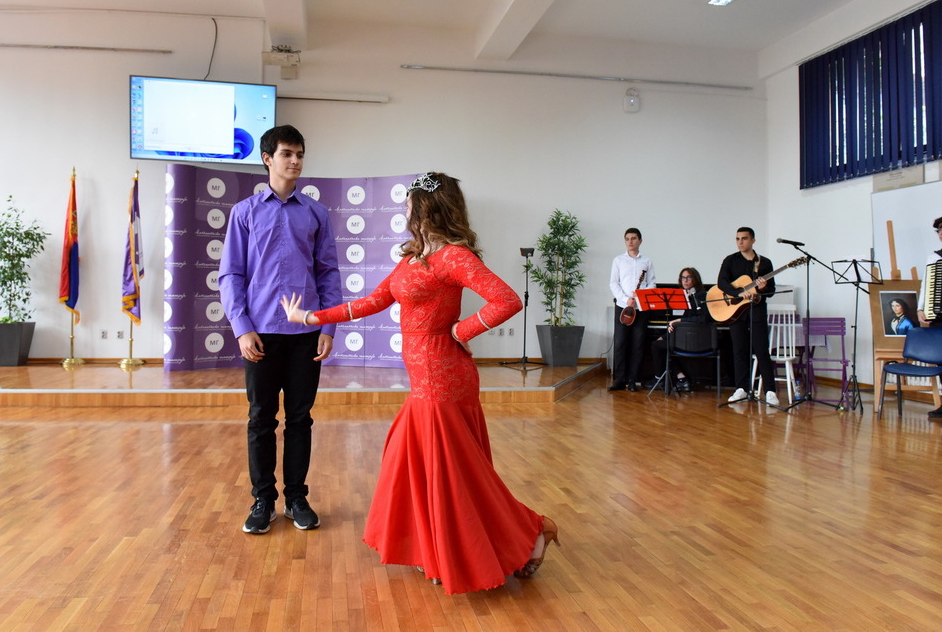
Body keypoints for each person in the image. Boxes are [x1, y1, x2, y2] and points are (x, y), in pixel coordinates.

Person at [280, 172, 559, 595]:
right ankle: (439, 551)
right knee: (426, 467)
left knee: (453, 474)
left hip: (444, 378)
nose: (405, 208)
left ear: (427, 207)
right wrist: (311, 318)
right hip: (424, 382)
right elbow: (373, 301)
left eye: (409, 202)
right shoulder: (413, 259)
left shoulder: (454, 257)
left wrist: (462, 331)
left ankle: (532, 531)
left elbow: (508, 299)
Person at [218, 125, 342, 534]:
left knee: (301, 419)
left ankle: (296, 498)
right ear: (267, 158)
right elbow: (231, 274)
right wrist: (241, 328)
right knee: (260, 419)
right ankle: (262, 500)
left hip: (306, 333)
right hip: (260, 334)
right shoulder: (244, 213)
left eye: (300, 154)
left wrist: (328, 326)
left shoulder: (317, 214)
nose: (295, 161)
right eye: (287, 153)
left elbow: (328, 273)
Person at [716, 227, 779, 407]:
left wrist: (763, 287)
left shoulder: (764, 263)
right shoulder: (730, 260)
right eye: (737, 239)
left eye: (744, 238)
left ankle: (770, 391)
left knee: (761, 350)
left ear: (753, 240)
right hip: (736, 312)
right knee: (739, 351)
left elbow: (771, 291)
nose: (740, 242)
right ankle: (741, 388)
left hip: (757, 310)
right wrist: (737, 293)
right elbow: (721, 282)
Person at [609, 227, 656, 391]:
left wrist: (641, 296)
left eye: (634, 238)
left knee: (638, 344)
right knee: (620, 343)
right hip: (623, 307)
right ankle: (620, 379)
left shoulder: (647, 261)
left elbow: (652, 283)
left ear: (640, 241)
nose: (630, 241)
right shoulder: (618, 260)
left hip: (641, 308)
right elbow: (613, 283)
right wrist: (625, 299)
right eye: (627, 239)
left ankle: (632, 380)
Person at [648, 267, 709, 392]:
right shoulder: (685, 297)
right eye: (683, 278)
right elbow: (685, 320)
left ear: (695, 279)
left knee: (657, 345)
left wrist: (679, 321)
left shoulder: (702, 296)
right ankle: (681, 379)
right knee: (660, 342)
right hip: (684, 334)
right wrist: (672, 327)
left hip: (696, 337)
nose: (685, 280)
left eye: (689, 277)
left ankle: (660, 379)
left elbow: (702, 318)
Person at [917, 213, 942, 417]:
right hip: (941, 317)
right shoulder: (934, 258)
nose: (941, 233)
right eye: (939, 230)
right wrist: (921, 308)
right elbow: (926, 285)